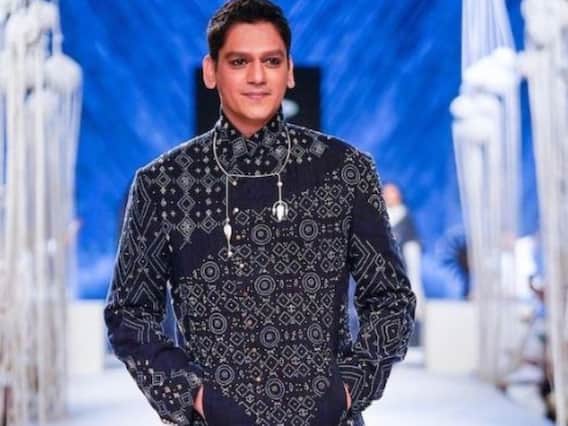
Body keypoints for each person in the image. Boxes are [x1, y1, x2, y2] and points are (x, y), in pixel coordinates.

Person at [103, 1, 416, 425]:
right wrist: (196, 397)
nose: (257, 76)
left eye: (271, 61)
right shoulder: (164, 183)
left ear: (289, 71)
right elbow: (129, 313)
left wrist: (347, 388)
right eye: (239, 62)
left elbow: (391, 298)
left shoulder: (345, 171)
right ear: (211, 71)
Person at [383, 183, 424, 345]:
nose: (388, 196)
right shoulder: (377, 217)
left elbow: (412, 248)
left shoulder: (405, 218)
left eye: (392, 192)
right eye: (385, 192)